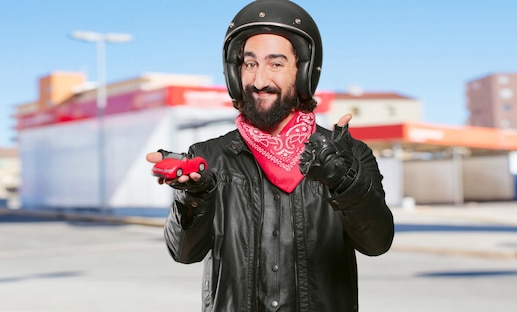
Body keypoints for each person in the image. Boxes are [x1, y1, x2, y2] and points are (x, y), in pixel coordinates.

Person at [146, 0, 394, 311]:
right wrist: (195, 197)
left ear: (302, 71)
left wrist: (345, 182)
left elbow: (377, 243)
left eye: (275, 64)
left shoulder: (348, 156)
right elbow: (183, 253)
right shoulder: (207, 158)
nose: (260, 80)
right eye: (250, 64)